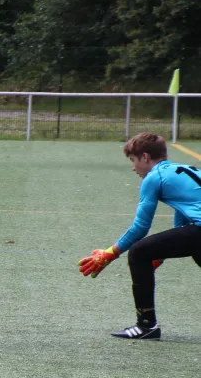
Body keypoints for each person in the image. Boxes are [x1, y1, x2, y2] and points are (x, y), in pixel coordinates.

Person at [78, 132, 201, 340]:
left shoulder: (154, 177)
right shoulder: (181, 169)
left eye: (133, 160)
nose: (133, 167)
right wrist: (161, 255)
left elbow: (140, 227)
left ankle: (146, 326)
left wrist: (109, 254)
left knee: (139, 251)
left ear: (145, 157)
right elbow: (185, 211)